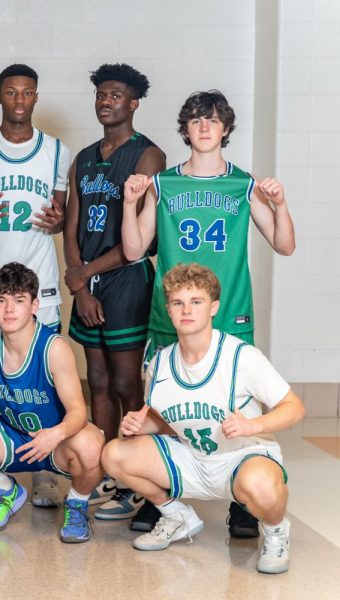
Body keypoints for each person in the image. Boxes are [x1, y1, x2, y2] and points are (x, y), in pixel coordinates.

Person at [121, 89, 296, 535]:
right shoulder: (162, 184)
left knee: (236, 405)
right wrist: (130, 202)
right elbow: (134, 248)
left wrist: (281, 204)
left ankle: (242, 499)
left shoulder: (242, 183)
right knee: (162, 404)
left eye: (213, 119)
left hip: (230, 311)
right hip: (172, 316)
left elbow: (284, 244)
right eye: (196, 119)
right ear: (185, 128)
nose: (204, 126)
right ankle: (162, 497)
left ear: (225, 129)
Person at [101, 263, 303, 574]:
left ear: (214, 307)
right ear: (168, 309)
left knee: (261, 485)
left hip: (241, 456)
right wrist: (141, 425)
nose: (186, 310)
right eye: (178, 302)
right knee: (114, 454)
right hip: (192, 458)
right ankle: (176, 516)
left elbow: (294, 407)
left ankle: (277, 532)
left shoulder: (241, 357)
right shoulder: (159, 363)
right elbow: (167, 420)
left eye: (196, 302)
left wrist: (254, 425)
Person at [0, 63, 72, 513]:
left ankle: (46, 470)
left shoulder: (55, 151)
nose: (19, 101)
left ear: (35, 97)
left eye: (27, 93)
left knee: (45, 380)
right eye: (11, 93)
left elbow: (64, 215)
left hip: (41, 283)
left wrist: (61, 220)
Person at [62, 63, 166, 523]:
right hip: (87, 279)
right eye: (102, 94)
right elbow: (70, 223)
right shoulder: (83, 157)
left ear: (134, 102)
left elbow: (137, 241)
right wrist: (78, 279)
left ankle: (138, 479)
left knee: (127, 384)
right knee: (98, 382)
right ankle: (104, 470)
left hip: (126, 279)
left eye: (116, 95)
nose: (107, 101)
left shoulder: (149, 156)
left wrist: (83, 276)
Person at [0, 263, 104, 542]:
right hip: (12, 435)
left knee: (92, 444)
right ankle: (5, 491)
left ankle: (76, 503)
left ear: (35, 305)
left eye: (19, 300)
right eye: (2, 300)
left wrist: (56, 434)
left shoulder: (54, 348)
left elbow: (77, 411)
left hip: (54, 441)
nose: (9, 309)